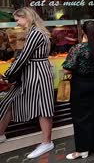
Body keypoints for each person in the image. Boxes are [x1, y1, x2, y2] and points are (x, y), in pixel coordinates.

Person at [0, 8, 55, 158]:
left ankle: (46, 142)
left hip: (37, 73)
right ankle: (1, 134)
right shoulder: (37, 32)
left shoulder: (35, 33)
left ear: (27, 17)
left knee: (43, 106)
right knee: (12, 100)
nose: (17, 23)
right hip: (33, 72)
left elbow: (24, 56)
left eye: (18, 19)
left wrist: (7, 75)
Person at [62, 21, 94, 160]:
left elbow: (67, 68)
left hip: (81, 85)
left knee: (81, 117)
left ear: (82, 31)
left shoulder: (77, 48)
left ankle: (83, 149)